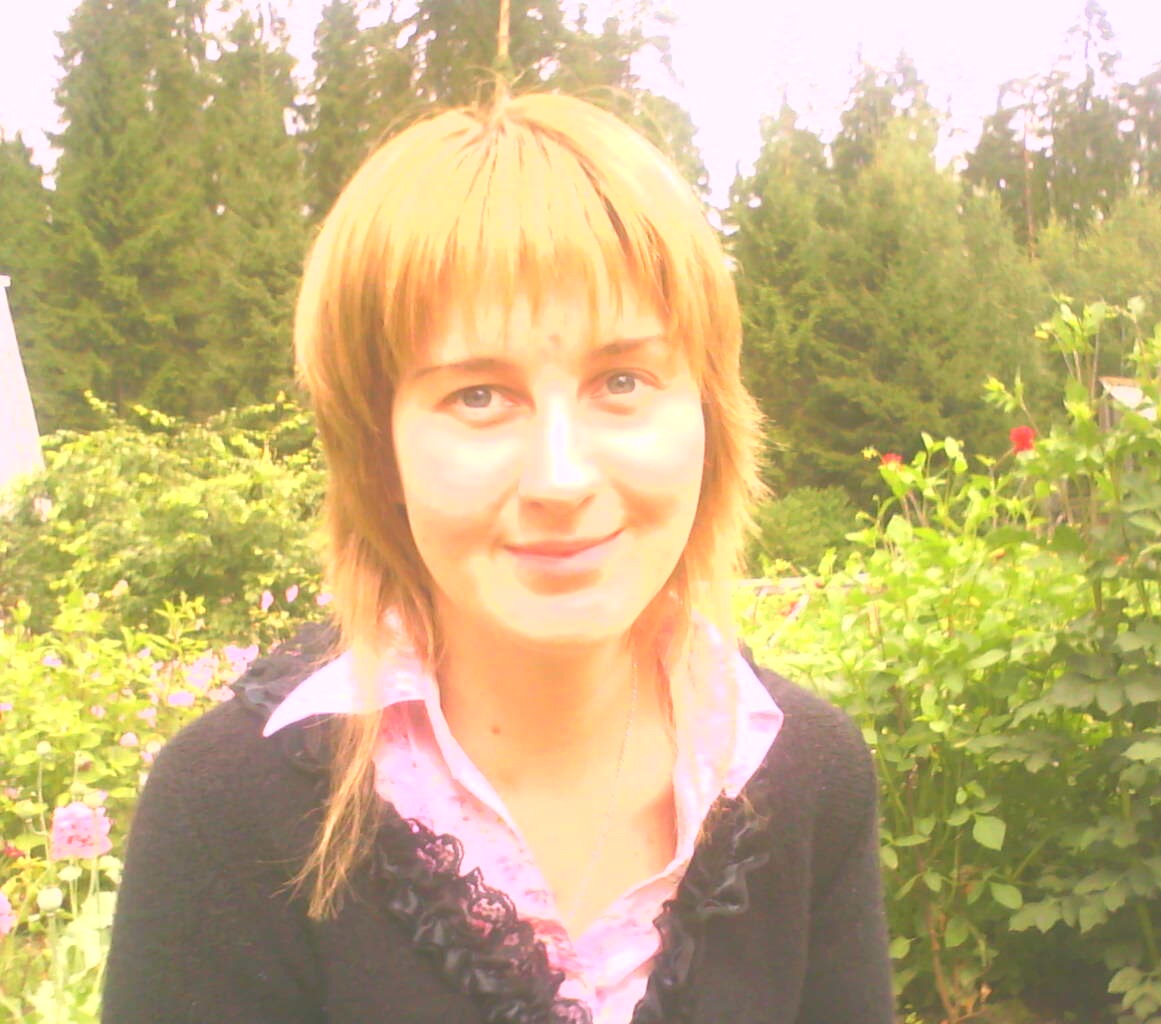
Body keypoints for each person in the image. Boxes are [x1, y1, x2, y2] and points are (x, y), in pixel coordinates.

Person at [101, 92, 893, 1023]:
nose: (561, 478)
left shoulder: (809, 777)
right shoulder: (230, 812)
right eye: (478, 395)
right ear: (378, 451)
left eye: (622, 380)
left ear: (709, 416)